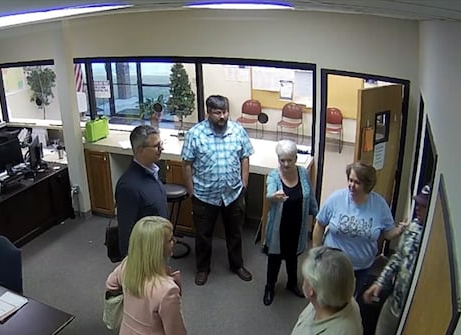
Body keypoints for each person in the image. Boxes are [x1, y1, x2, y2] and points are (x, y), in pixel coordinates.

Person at [314, 161, 406, 335]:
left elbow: (387, 232)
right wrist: (316, 253)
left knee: (347, 302)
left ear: (368, 185)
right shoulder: (336, 199)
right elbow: (319, 224)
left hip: (361, 267)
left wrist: (399, 231)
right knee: (325, 299)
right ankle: (320, 332)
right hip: (332, 264)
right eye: (349, 180)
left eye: (356, 182)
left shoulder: (379, 205)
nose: (351, 185)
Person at [355, 184, 431, 335]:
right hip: (396, 300)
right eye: (418, 204)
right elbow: (398, 258)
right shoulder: (414, 228)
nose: (418, 209)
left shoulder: (434, 239)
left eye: (423, 206)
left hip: (419, 311)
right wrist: (380, 283)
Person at [181, 95, 254, 286]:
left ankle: (237, 265)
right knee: (203, 235)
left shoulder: (237, 131)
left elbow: (244, 157)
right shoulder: (195, 134)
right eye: (218, 113)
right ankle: (203, 269)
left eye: (225, 112)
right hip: (204, 196)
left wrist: (244, 184)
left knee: (235, 233)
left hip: (233, 194)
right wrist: (191, 192)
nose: (223, 116)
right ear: (208, 112)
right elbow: (187, 164)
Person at [262, 140, 318, 306]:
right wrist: (273, 196)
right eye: (282, 160)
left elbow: (310, 197)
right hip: (279, 228)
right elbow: (269, 194)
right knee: (275, 258)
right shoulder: (274, 176)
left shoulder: (302, 173)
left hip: (297, 225)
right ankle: (269, 287)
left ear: (296, 158)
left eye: (289, 160)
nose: (286, 164)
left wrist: (318, 216)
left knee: (293, 258)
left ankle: (291, 284)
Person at [114, 125, 169, 258]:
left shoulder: (153, 173)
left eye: (160, 144)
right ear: (140, 150)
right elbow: (126, 232)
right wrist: (129, 265)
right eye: (156, 146)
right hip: (146, 255)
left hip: (160, 246)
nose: (161, 149)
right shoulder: (128, 186)